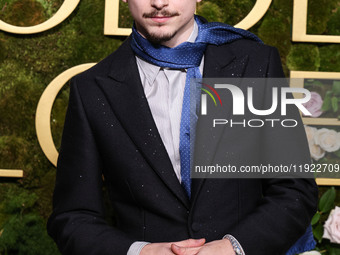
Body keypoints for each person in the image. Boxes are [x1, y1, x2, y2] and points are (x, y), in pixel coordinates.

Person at [47, 0, 318, 254]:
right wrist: (141, 251)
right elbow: (72, 217)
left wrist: (232, 247)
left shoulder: (254, 63)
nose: (159, 2)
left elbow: (294, 189)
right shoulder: (92, 88)